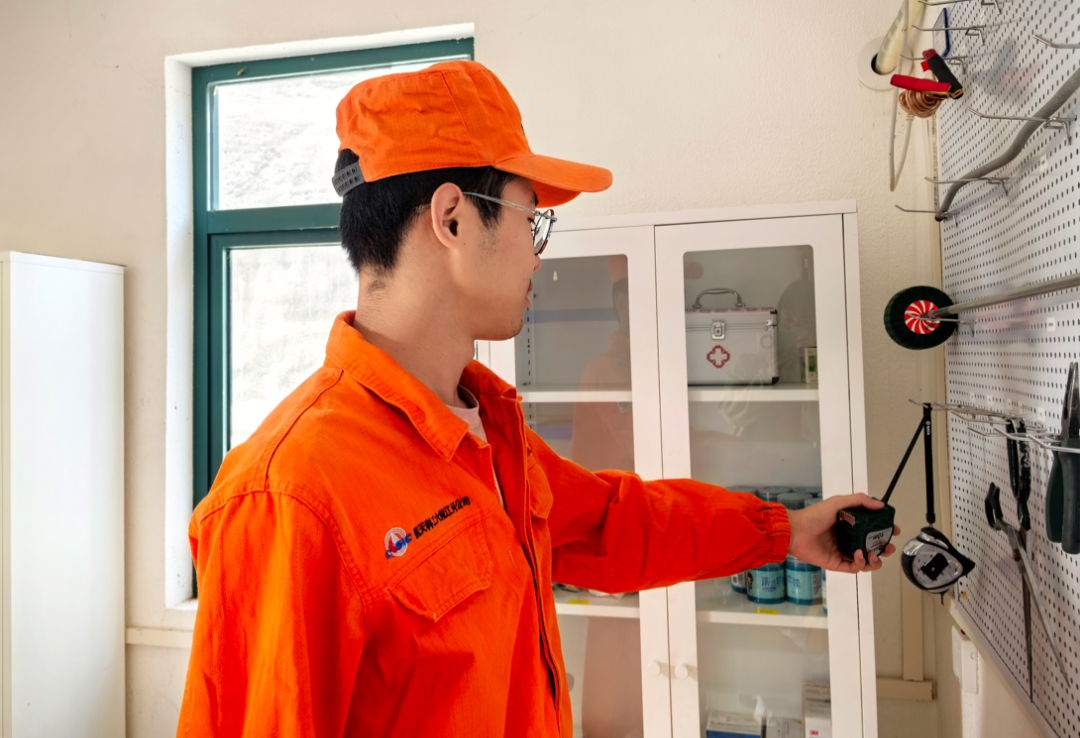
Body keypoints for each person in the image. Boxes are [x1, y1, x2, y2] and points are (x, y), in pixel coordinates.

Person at [177, 60, 897, 737]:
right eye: (531, 219)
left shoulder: (487, 436)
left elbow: (613, 525)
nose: (537, 252)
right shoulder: (291, 496)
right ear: (453, 219)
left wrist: (787, 531)